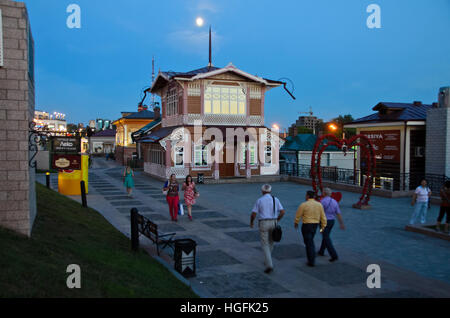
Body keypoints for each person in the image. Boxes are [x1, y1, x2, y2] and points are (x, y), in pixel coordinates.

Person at [250, 184, 285, 274]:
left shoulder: (260, 200)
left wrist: (252, 222)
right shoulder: (275, 199)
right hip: (273, 222)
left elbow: (254, 213)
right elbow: (282, 211)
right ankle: (267, 259)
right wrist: (277, 219)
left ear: (262, 191)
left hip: (264, 222)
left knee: (265, 243)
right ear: (270, 191)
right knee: (271, 242)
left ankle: (269, 264)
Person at [294, 190, 327, 267]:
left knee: (309, 242)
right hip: (315, 225)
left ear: (308, 196)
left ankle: (311, 260)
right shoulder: (319, 205)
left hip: (306, 225)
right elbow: (323, 216)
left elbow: (298, 215)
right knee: (310, 240)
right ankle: (311, 258)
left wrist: (296, 223)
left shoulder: (303, 205)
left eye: (306, 195)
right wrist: (323, 226)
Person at [318, 188, 345, 262]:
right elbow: (338, 214)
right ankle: (321, 251)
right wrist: (341, 223)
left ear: (324, 193)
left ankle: (334, 255)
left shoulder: (322, 201)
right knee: (325, 235)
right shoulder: (335, 202)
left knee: (326, 237)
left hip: (324, 222)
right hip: (331, 222)